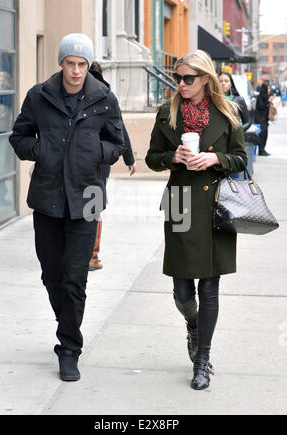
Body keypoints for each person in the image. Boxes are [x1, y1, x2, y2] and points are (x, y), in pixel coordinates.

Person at [9, 33, 127, 382]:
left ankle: (69, 348)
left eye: (82, 64)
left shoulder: (104, 99)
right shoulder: (39, 96)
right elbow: (19, 137)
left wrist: (95, 154)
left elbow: (116, 143)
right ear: (61, 63)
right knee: (52, 276)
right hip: (47, 197)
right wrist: (41, 151)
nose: (76, 71)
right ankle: (68, 323)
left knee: (75, 278)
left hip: (87, 198)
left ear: (89, 65)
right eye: (70, 63)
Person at [145, 50, 247, 391]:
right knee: (182, 288)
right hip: (180, 203)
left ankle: (201, 361)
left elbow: (240, 158)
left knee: (210, 286)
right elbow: (151, 158)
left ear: (205, 79)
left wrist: (213, 158)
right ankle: (192, 323)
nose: (182, 84)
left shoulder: (227, 113)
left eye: (189, 78)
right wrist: (172, 157)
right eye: (178, 78)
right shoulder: (166, 113)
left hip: (216, 205)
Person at [88, 62, 137, 271]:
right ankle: (92, 255)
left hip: (88, 159)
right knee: (94, 206)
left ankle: (86, 254)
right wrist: (129, 158)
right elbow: (120, 129)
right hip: (101, 161)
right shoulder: (107, 95)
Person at [254, 83, 274, 156]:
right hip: (260, 119)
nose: (269, 90)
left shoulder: (267, 96)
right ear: (265, 89)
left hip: (265, 119)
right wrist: (268, 101)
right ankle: (261, 150)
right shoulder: (260, 97)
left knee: (265, 135)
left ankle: (263, 149)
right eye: (268, 88)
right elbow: (262, 107)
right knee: (262, 135)